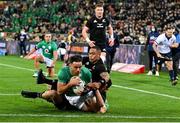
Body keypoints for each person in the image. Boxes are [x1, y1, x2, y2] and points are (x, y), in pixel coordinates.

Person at [21, 55, 106, 113]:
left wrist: (86, 90)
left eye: (80, 67)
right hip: (67, 97)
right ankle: (37, 94)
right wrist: (70, 84)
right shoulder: (63, 72)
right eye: (76, 67)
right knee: (53, 93)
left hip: (80, 97)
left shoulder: (86, 72)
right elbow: (60, 91)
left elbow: (90, 87)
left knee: (95, 109)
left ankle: (44, 81)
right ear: (69, 65)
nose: (78, 70)